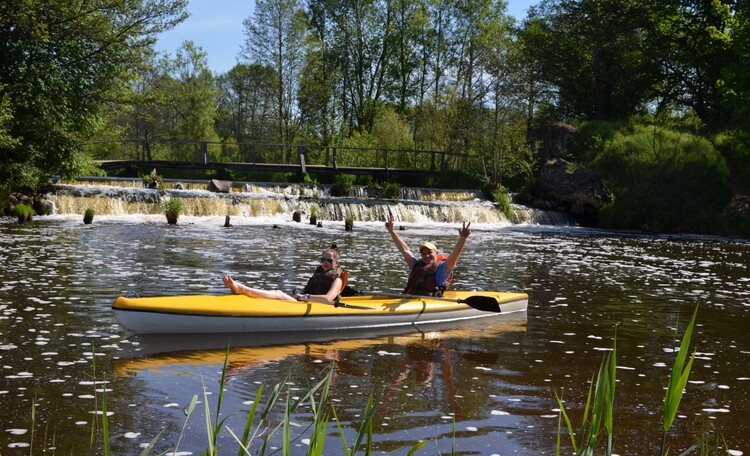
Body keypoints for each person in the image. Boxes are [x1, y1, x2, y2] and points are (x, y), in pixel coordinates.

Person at [222, 244, 344, 303]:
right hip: (303, 300)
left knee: (279, 294)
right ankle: (242, 290)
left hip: (310, 304)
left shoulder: (337, 280)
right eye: (323, 260)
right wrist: (298, 294)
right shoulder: (319, 274)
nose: (325, 263)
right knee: (276, 292)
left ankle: (242, 288)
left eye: (329, 260)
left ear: (336, 264)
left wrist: (304, 297)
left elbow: (328, 298)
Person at [385, 215, 471, 296]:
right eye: (423, 254)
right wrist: (392, 231)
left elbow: (455, 255)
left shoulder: (442, 268)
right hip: (409, 298)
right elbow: (404, 249)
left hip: (429, 301)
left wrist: (462, 238)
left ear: (436, 253)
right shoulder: (417, 265)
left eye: (430, 252)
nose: (426, 256)